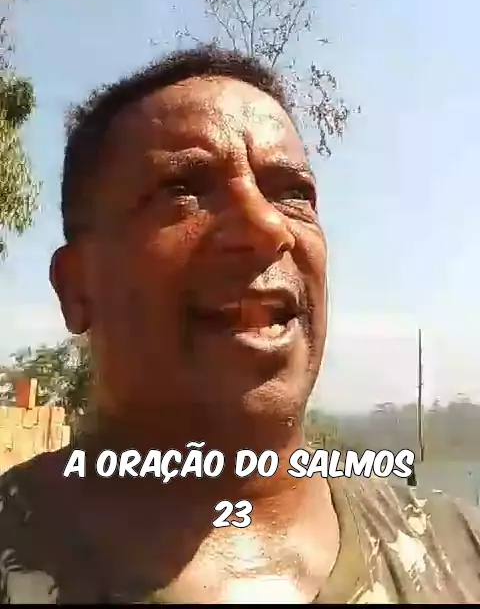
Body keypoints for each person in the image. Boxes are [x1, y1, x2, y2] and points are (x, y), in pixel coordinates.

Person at [0, 44, 479, 604]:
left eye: (293, 194)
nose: (268, 226)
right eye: (183, 189)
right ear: (76, 287)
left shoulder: (461, 551)